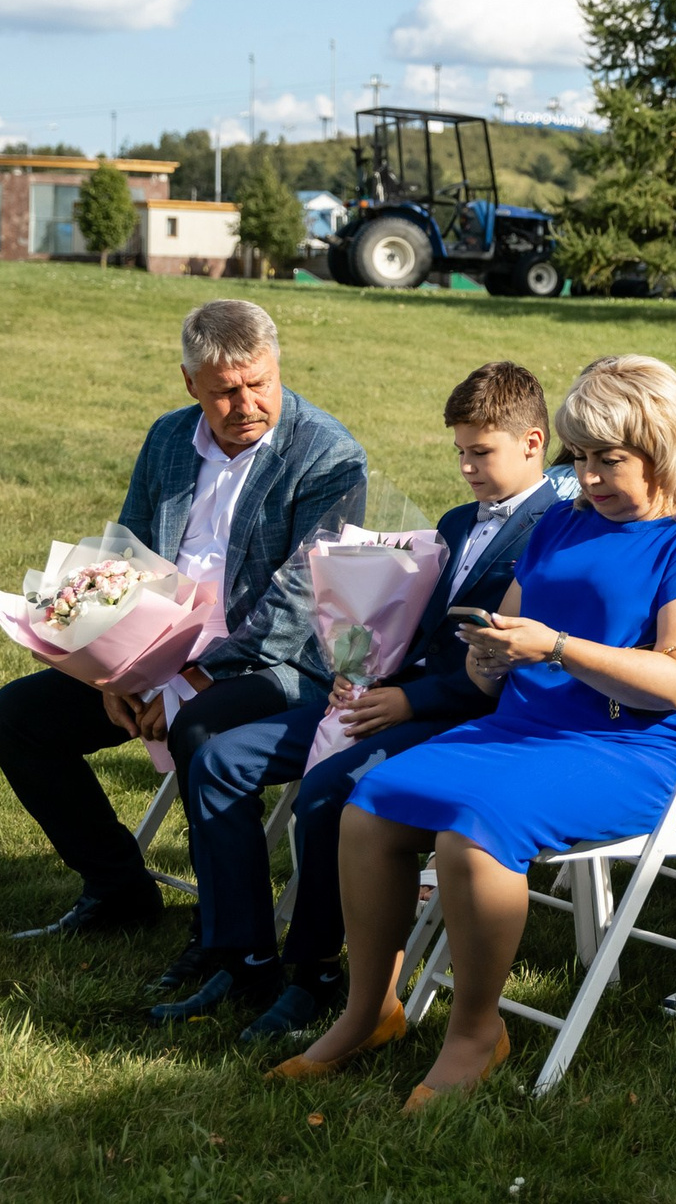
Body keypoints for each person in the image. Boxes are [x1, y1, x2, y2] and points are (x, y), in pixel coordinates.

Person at [274, 355, 676, 1106]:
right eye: (582, 457)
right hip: (526, 725)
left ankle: (475, 1031)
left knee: (475, 824)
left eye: (609, 460)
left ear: (662, 449)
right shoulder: (562, 521)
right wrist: (490, 655)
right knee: (371, 805)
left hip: (636, 747)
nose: (588, 477)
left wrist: (555, 647)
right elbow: (504, 638)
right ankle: (371, 1011)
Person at [0, 301, 366, 957]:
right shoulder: (168, 437)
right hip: (154, 653)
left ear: (278, 367)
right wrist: (107, 671)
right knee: (16, 718)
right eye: (224, 391)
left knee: (200, 725)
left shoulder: (327, 454)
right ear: (191, 384)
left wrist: (191, 679)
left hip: (273, 665)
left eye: (260, 383)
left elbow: (298, 602)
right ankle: (117, 888)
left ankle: (224, 938)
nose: (246, 402)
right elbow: (126, 555)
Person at [241, 362, 569, 1040]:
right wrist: (359, 670)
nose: (467, 468)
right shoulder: (455, 520)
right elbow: (411, 624)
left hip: (469, 714)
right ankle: (251, 946)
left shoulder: (554, 527)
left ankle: (316, 972)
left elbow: (500, 666)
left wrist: (407, 700)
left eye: (482, 452)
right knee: (264, 764)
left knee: (328, 793)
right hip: (400, 694)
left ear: (533, 442)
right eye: (460, 452)